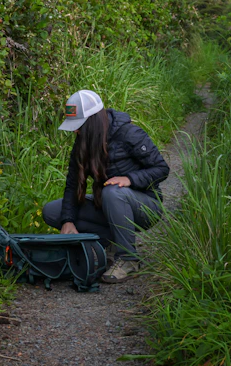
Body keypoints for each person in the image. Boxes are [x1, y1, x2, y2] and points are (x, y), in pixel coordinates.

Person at [42, 89, 169, 283]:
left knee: (112, 192)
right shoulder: (83, 142)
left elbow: (161, 169)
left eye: (79, 125)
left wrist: (130, 180)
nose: (75, 131)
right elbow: (72, 185)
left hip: (145, 206)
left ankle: (128, 259)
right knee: (52, 211)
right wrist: (68, 220)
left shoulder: (129, 133)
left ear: (92, 121)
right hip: (108, 204)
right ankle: (108, 243)